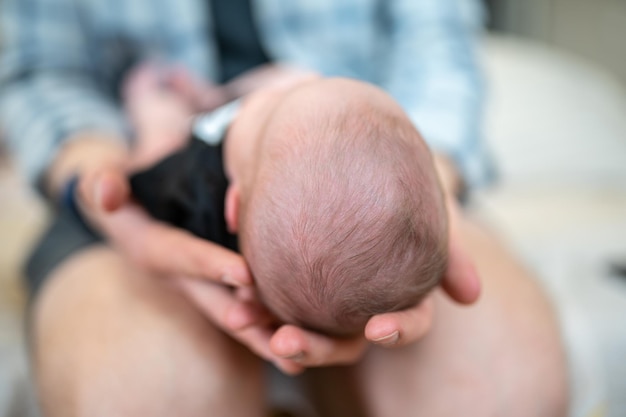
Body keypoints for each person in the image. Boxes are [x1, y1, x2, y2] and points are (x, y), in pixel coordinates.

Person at [0, 0, 569, 416]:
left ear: (233, 201)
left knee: (505, 392)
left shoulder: (194, 172)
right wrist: (101, 175)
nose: (269, 103)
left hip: (369, 180)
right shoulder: (274, 104)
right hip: (119, 166)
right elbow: (39, 70)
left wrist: (428, 176)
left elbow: (437, 44)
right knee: (147, 394)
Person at [129, 74, 449, 337]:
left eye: (268, 112)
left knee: (161, 129)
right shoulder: (284, 136)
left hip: (196, 131)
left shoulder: (193, 187)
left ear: (233, 206)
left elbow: (142, 178)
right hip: (232, 101)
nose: (271, 98)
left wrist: (155, 119)